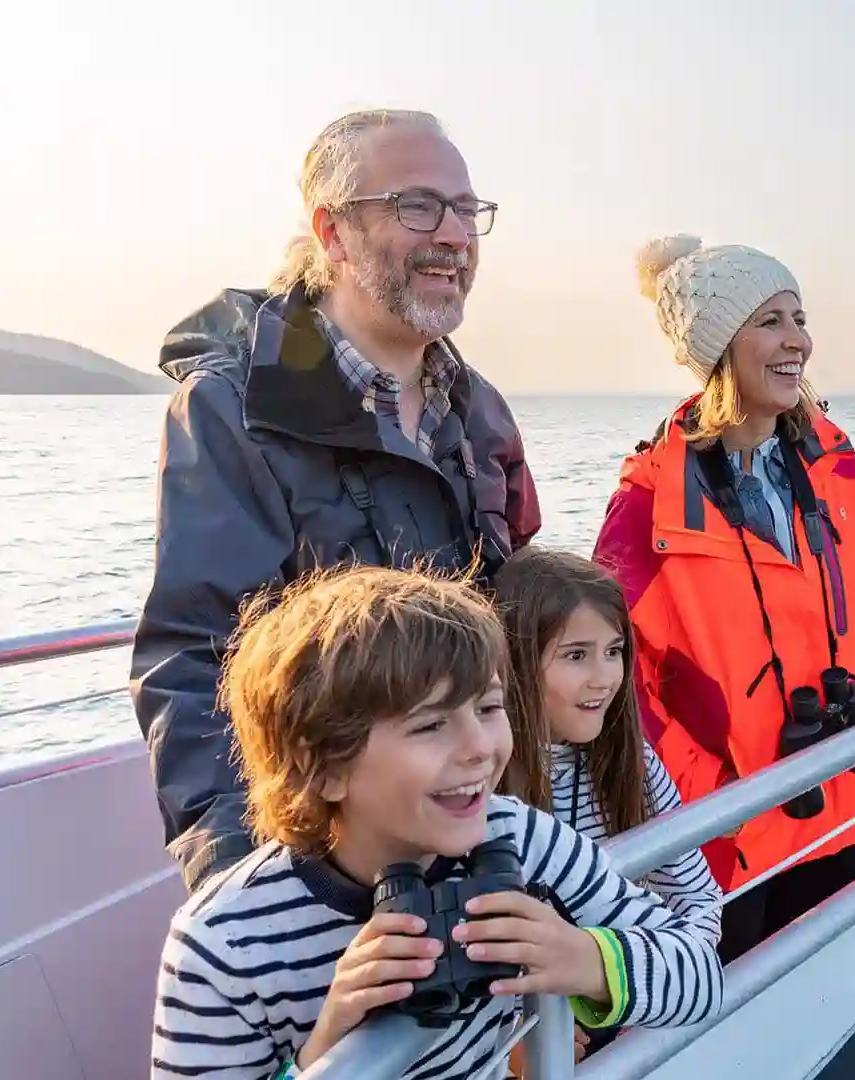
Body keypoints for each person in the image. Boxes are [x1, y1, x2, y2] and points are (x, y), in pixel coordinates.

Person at [130, 108, 541, 893]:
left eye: (466, 210)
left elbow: (518, 622)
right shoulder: (234, 411)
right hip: (337, 866)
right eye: (418, 205)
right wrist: (246, 883)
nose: (454, 235)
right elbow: (193, 659)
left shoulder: (479, 410)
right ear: (333, 231)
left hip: (480, 838)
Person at [593, 235, 855, 962]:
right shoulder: (648, 500)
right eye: (772, 321)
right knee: (722, 1023)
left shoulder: (830, 459)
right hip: (725, 841)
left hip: (841, 801)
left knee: (818, 988)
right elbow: (616, 673)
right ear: (720, 347)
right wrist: (709, 794)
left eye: (800, 317)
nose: (800, 342)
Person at [149, 565, 722, 1080]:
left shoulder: (516, 836)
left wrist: (585, 958)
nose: (481, 748)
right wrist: (325, 1055)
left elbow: (699, 975)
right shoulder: (224, 943)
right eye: (430, 726)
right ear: (320, 769)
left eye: (489, 708)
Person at [492, 547, 725, 1060]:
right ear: (514, 662)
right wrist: (508, 1036)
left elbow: (698, 900)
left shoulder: (633, 763)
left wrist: (629, 999)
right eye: (576, 655)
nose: (605, 677)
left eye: (614, 650)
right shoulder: (479, 784)